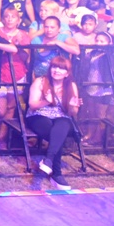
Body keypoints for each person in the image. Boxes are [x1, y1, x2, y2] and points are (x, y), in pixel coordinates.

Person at [26, 55, 82, 191]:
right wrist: (47, 101)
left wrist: (73, 106)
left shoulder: (71, 86)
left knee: (62, 124)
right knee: (57, 135)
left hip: (61, 117)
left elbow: (72, 113)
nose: (56, 70)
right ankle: (56, 173)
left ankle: (48, 160)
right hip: (39, 115)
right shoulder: (40, 82)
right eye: (54, 67)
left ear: (67, 73)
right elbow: (32, 105)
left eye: (61, 68)